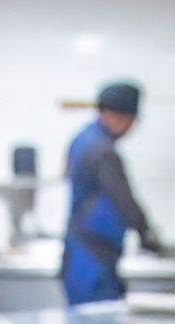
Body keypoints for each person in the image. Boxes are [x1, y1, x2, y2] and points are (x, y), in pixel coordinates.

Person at [61, 81, 158, 305]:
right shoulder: (103, 152)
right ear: (117, 116)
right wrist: (147, 234)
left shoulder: (82, 140)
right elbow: (123, 199)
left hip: (79, 255)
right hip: (93, 259)